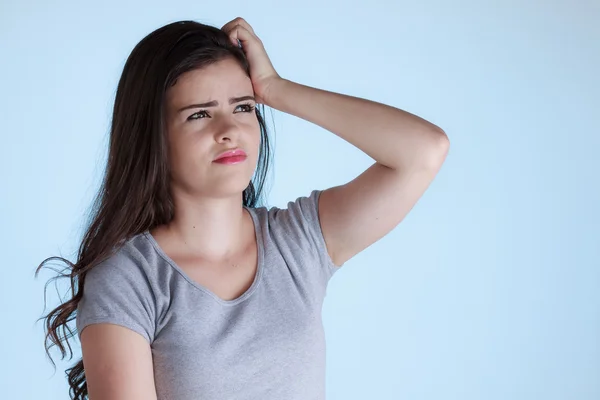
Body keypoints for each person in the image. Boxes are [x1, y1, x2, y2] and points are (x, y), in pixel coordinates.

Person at [36, 17, 449, 400]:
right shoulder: (129, 278)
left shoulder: (297, 243)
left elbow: (423, 151)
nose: (229, 130)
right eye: (199, 114)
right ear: (152, 136)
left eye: (243, 107)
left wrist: (274, 89)